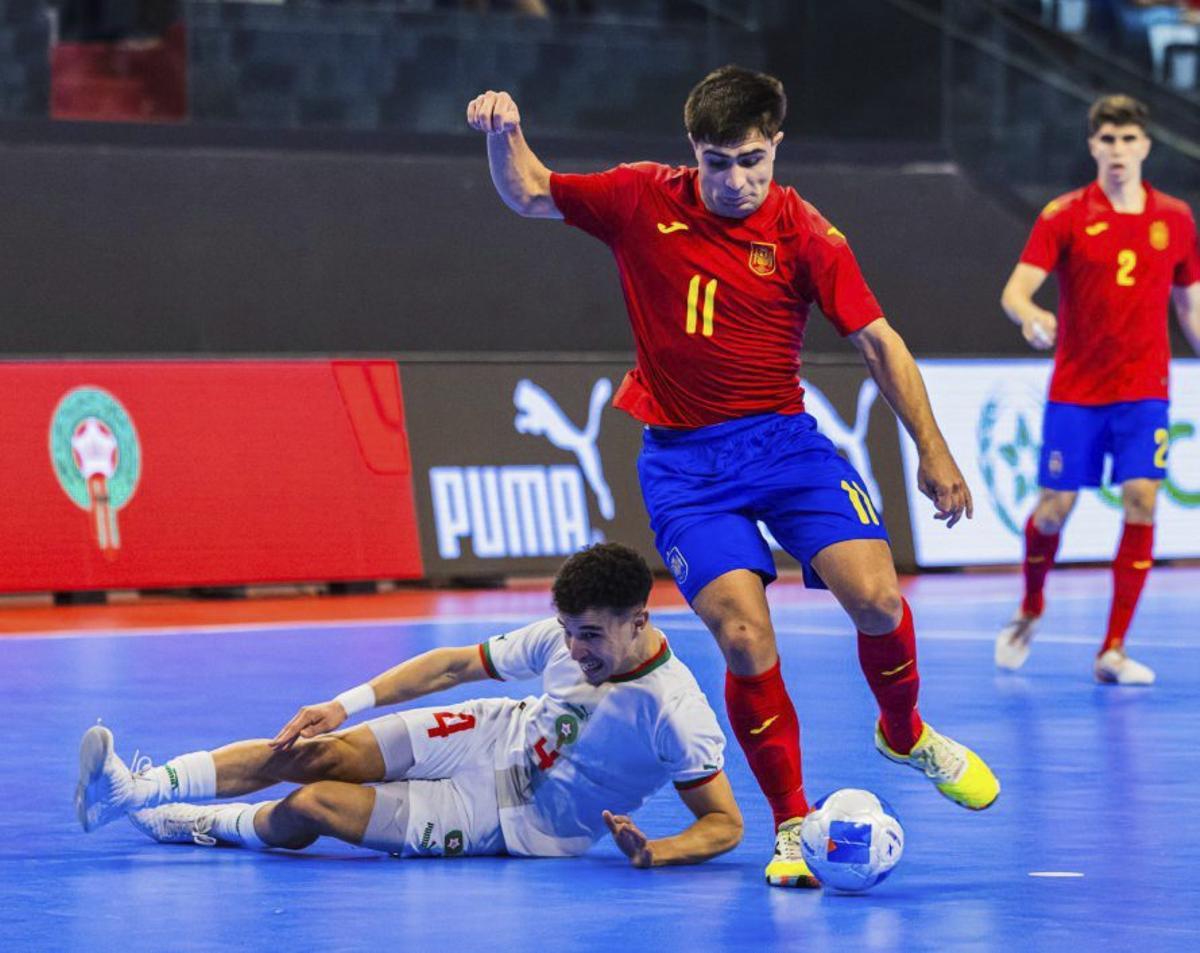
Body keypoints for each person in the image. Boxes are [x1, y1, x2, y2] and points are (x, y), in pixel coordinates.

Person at [466, 65, 1000, 889]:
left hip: (785, 446)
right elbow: (530, 192)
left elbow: (879, 343)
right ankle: (793, 824)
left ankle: (905, 730)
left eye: (753, 159)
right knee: (746, 639)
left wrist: (931, 448)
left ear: (776, 145)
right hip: (685, 467)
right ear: (694, 152)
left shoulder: (808, 234)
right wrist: (507, 135)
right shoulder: (640, 198)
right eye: (720, 162)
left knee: (878, 597)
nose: (738, 180)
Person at [75, 543, 743, 867]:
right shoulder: (564, 640)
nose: (573, 646)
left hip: (514, 821)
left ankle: (187, 820)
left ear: (638, 619)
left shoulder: (675, 711)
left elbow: (725, 822)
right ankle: (132, 789)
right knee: (315, 754)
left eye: (590, 634)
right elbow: (452, 664)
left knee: (312, 804)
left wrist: (659, 849)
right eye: (565, 627)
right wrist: (344, 703)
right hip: (488, 735)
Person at [995, 94, 1200, 684]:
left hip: (1145, 390)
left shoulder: (1176, 219)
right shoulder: (1064, 215)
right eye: (1107, 140)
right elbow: (1015, 293)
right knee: (1055, 509)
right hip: (1077, 393)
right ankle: (1032, 604)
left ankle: (1112, 649)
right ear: (1093, 147)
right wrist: (1029, 316)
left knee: (1142, 498)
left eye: (1128, 140)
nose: (1117, 151)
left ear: (1145, 146)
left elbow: (1188, 304)